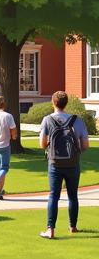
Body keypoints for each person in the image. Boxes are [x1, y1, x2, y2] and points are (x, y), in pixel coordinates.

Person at [39, 90, 90, 239]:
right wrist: (76, 151)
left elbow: (42, 144)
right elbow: (85, 144)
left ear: (53, 102)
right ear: (66, 103)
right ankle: (72, 226)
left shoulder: (47, 120)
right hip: (73, 163)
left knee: (53, 196)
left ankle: (50, 229)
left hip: (54, 164)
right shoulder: (77, 120)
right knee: (73, 196)